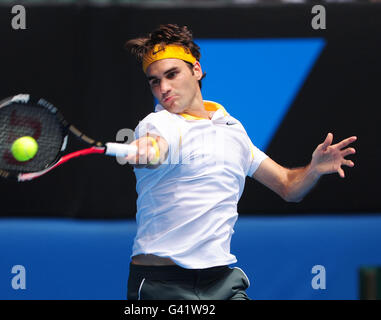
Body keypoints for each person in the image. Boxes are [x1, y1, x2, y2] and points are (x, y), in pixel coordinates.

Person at [124, 24, 357, 300]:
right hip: (162, 285)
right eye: (154, 81)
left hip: (220, 280)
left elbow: (287, 186)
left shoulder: (232, 130)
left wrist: (314, 170)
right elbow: (156, 147)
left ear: (196, 70)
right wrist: (148, 152)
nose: (163, 88)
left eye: (172, 74)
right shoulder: (156, 124)